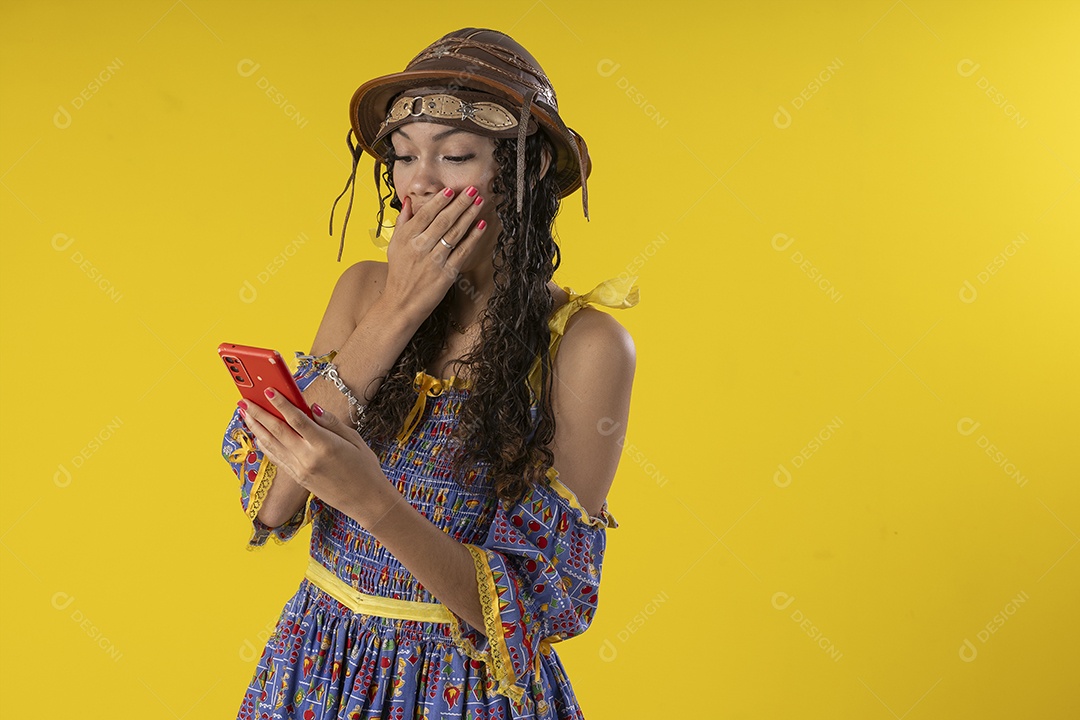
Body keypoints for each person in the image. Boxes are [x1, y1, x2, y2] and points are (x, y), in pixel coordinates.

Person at [220, 27, 639, 719]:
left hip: (463, 690)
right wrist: (399, 309)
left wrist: (374, 502)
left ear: (527, 168)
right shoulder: (361, 291)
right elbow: (271, 501)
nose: (420, 181)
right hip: (316, 666)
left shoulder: (587, 346)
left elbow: (538, 611)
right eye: (404, 156)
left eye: (456, 156)